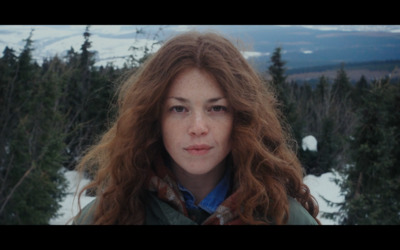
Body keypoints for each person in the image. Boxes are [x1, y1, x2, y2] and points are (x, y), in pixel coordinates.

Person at [72, 31, 321, 225]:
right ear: (154, 119)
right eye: (179, 109)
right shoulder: (109, 216)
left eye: (217, 109)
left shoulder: (284, 217)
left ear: (241, 118)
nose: (198, 127)